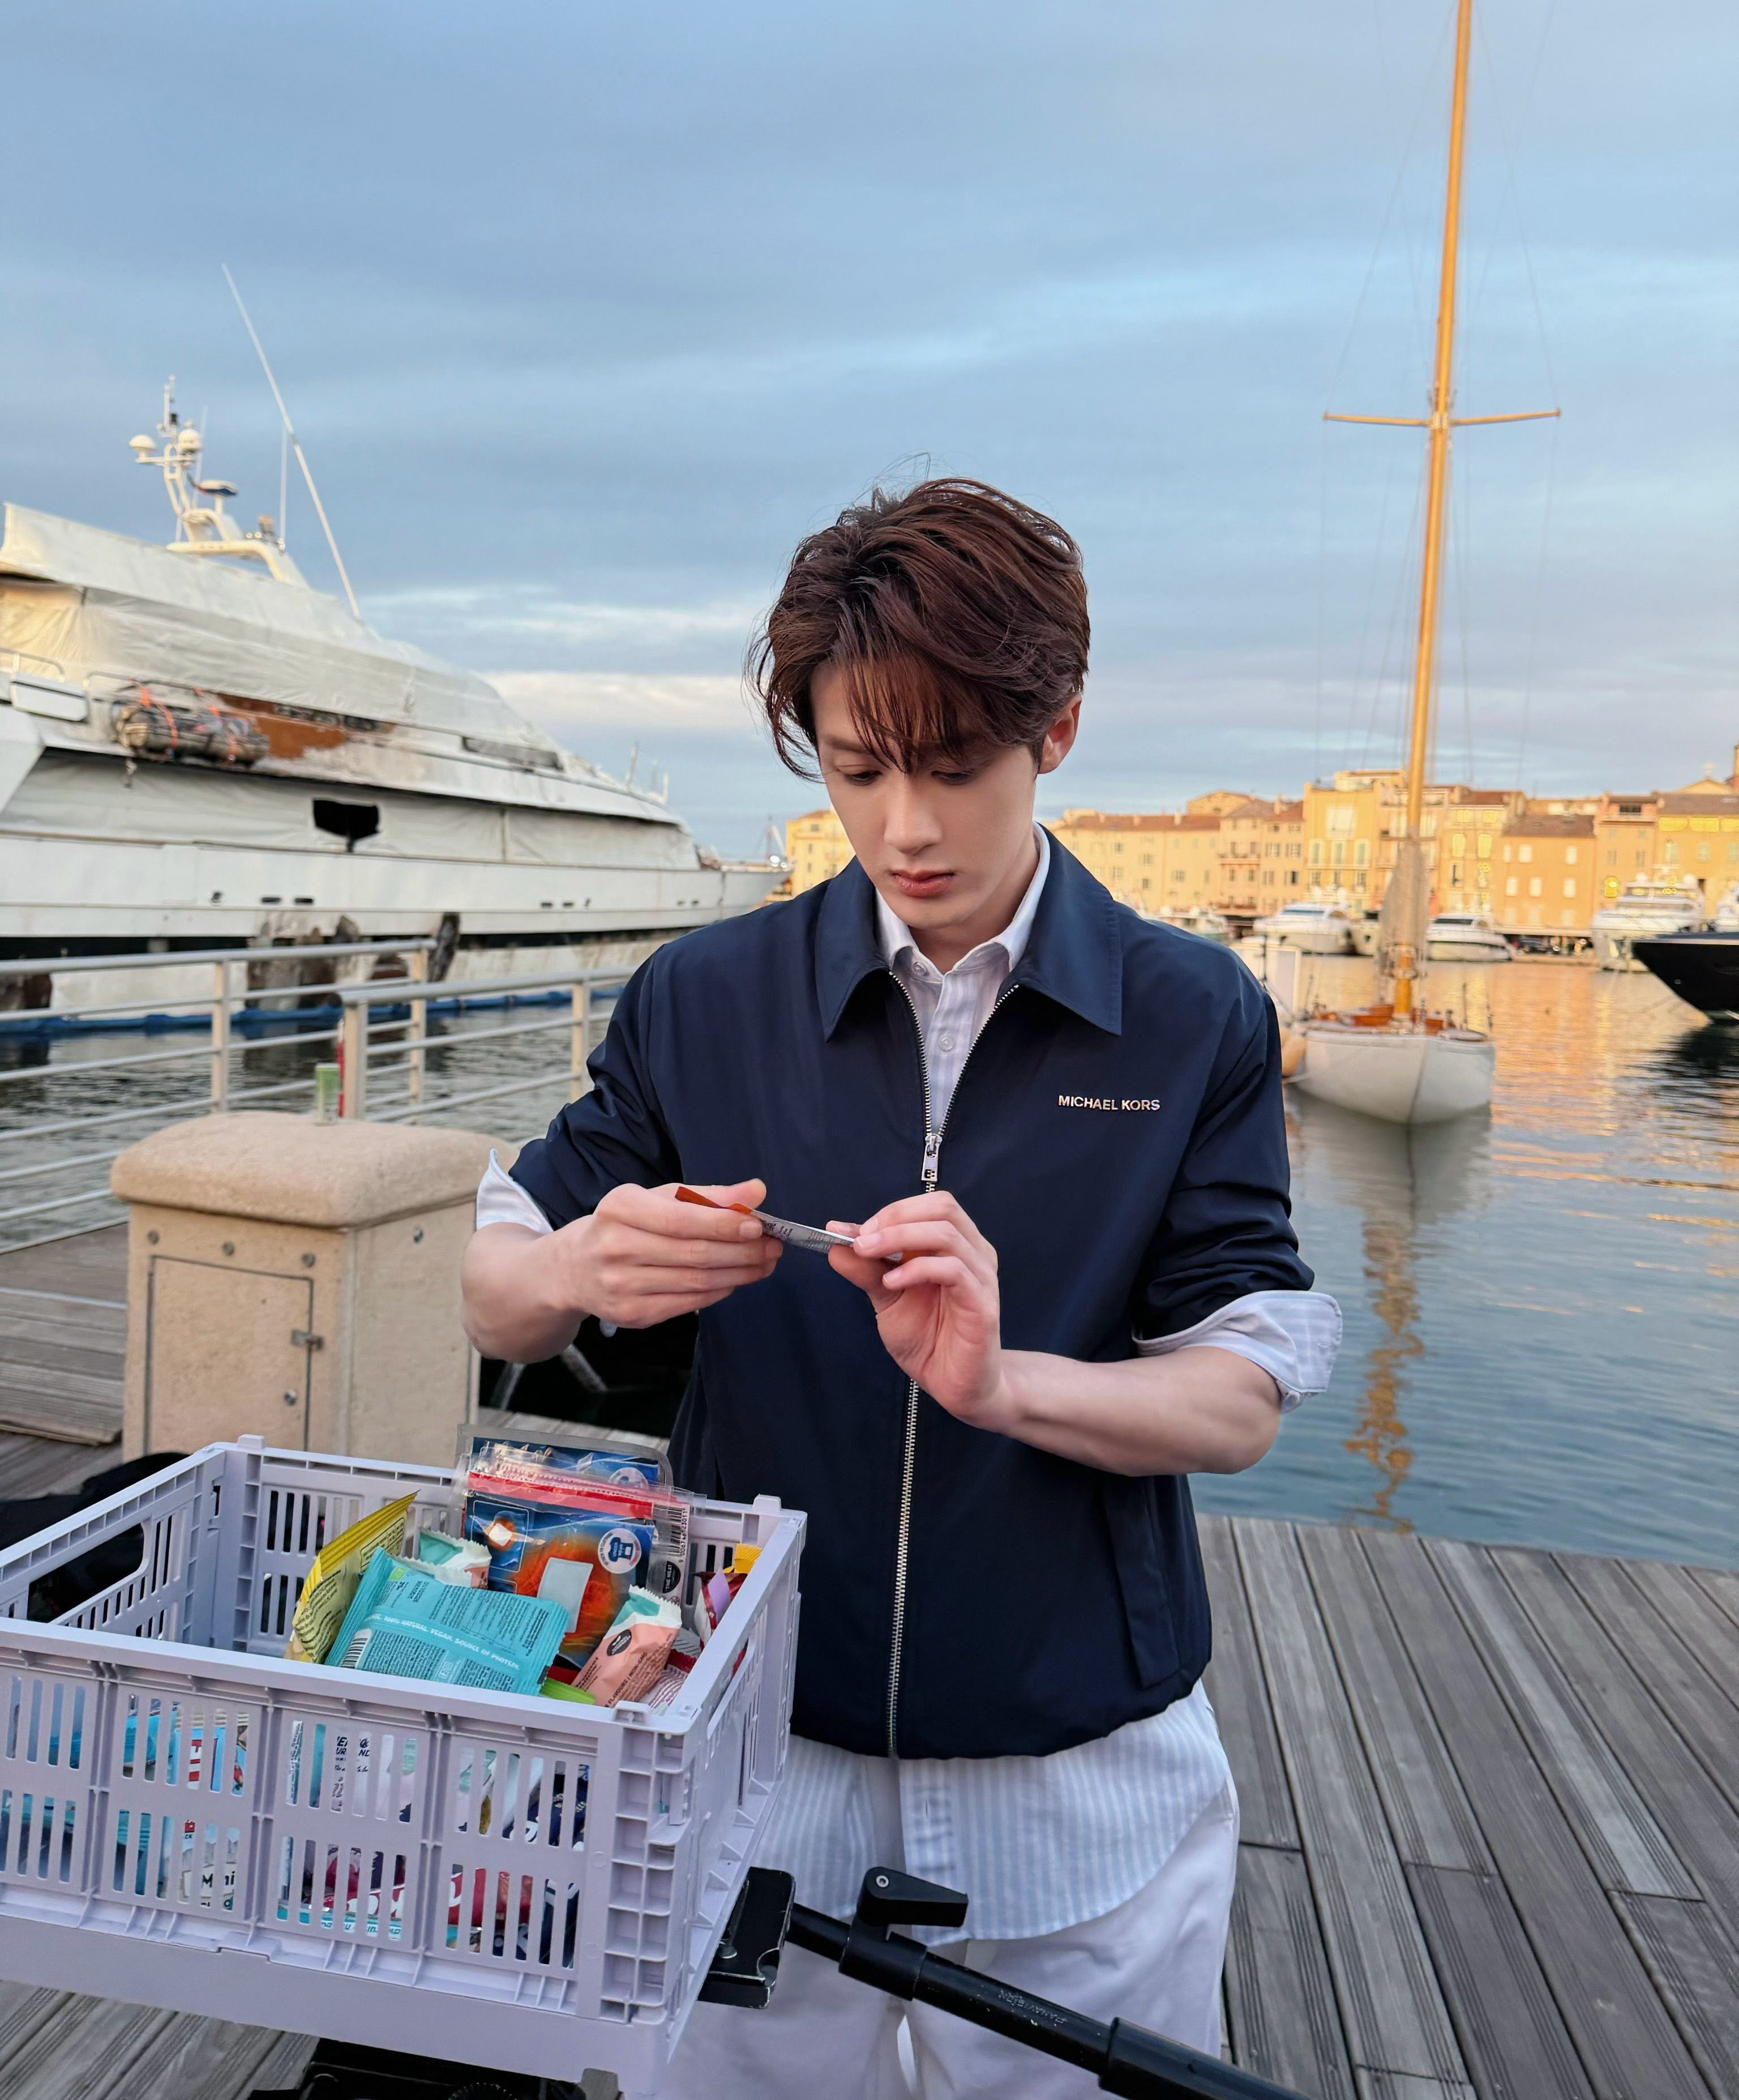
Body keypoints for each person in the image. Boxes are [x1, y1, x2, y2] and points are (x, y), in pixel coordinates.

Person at [462, 479, 1339, 2098]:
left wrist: (1002, 1384)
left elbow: (1239, 1399)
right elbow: (495, 1294)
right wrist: (580, 1266)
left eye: (954, 766)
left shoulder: (1193, 1011)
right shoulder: (700, 996)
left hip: (1079, 1773)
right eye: (857, 770)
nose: (906, 829)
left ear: (1055, 728)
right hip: (743, 1745)